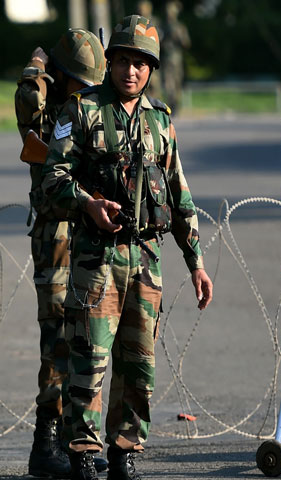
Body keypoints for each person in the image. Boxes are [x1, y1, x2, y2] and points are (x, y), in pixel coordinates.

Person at [41, 14, 213, 480]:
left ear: (150, 69)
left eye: (140, 63)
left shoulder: (160, 122)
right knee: (90, 363)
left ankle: (124, 451)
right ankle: (82, 453)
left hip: (146, 262)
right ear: (110, 62)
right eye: (122, 61)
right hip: (97, 260)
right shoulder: (80, 111)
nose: (130, 71)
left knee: (139, 367)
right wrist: (86, 205)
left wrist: (196, 262)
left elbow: (179, 195)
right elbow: (51, 181)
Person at [15, 28, 109, 478]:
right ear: (61, 77)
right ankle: (44, 442)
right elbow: (27, 91)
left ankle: (77, 442)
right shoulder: (43, 113)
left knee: (85, 338)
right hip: (55, 238)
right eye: (81, 83)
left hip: (89, 235)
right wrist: (41, 64)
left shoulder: (90, 111)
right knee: (57, 340)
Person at [161, 1, 190, 114]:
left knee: (177, 82)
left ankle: (176, 104)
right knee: (168, 83)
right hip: (166, 59)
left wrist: (178, 36)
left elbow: (186, 43)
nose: (169, 15)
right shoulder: (163, 26)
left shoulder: (180, 27)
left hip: (176, 59)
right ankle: (170, 105)